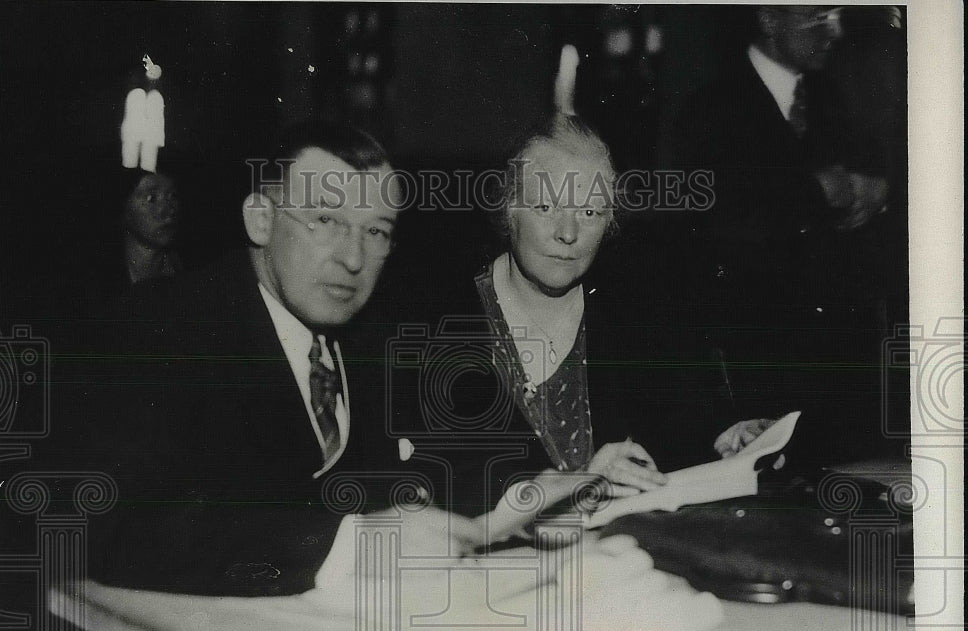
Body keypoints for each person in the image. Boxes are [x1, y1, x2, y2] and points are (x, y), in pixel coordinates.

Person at [75, 122, 478, 596]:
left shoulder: (376, 336)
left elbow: (437, 467)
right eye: (325, 220)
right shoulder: (163, 327)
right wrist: (347, 543)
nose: (353, 258)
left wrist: (535, 494)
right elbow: (112, 529)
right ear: (260, 220)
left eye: (375, 230)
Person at [388, 114, 775, 536]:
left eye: (589, 212)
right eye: (545, 207)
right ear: (509, 209)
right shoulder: (442, 323)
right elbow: (446, 484)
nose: (568, 233)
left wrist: (726, 437)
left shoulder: (631, 317)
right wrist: (578, 482)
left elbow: (679, 426)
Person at [656, 6, 893, 453]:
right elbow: (712, 230)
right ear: (769, 19)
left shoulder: (835, 99)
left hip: (838, 374)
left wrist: (879, 194)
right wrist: (813, 191)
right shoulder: (710, 107)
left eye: (837, 14)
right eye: (818, 15)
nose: (835, 29)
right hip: (755, 374)